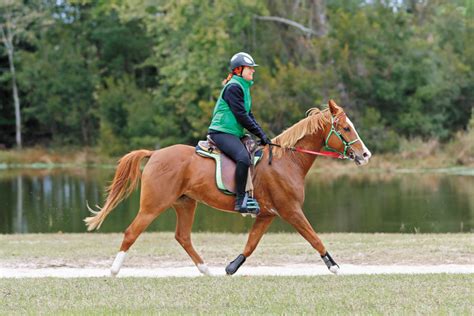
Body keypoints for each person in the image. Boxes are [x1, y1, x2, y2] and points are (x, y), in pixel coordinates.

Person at [208, 52, 271, 216]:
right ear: (238, 70)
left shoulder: (243, 86)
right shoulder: (234, 87)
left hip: (234, 133)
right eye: (250, 68)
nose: (253, 71)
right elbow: (241, 117)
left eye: (252, 68)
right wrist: (260, 134)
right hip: (221, 132)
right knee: (243, 157)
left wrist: (262, 135)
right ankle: (240, 200)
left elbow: (249, 115)